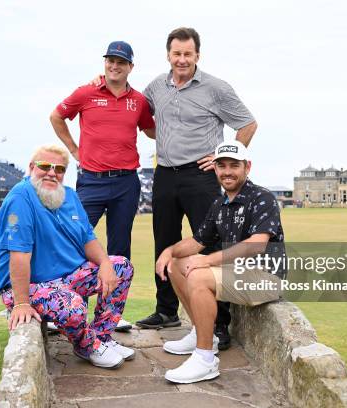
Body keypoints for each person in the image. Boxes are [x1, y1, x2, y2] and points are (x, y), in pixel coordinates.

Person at [135, 28, 258, 350]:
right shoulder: (155, 87)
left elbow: (247, 123)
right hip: (164, 173)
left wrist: (221, 156)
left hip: (200, 177)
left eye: (188, 54)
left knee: (207, 244)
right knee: (165, 242)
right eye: (177, 54)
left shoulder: (216, 88)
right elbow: (140, 115)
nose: (182, 60)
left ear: (197, 56)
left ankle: (218, 324)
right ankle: (166, 312)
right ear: (168, 55)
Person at [0, 144, 135, 369]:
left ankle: (102, 338)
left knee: (121, 267)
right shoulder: (20, 198)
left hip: (66, 276)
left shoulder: (69, 195)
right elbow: (19, 255)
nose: (52, 172)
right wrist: (21, 303)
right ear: (31, 167)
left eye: (59, 169)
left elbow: (87, 238)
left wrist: (106, 263)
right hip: (27, 285)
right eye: (45, 166)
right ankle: (87, 346)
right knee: (72, 305)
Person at [155, 141, 285, 383]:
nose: (227, 171)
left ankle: (205, 359)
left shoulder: (261, 197)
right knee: (176, 265)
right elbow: (197, 241)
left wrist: (209, 261)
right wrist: (169, 251)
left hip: (265, 278)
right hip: (238, 273)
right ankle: (201, 333)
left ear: (247, 167)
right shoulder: (220, 203)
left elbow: (257, 243)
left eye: (234, 166)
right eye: (222, 165)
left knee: (198, 274)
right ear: (214, 169)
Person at [50, 41, 155, 261]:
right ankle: (76, 297)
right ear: (105, 63)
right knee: (75, 239)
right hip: (92, 181)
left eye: (121, 62)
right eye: (110, 61)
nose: (114, 66)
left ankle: (115, 297)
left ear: (130, 67)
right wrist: (73, 149)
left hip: (126, 183)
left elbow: (149, 130)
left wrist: (181, 130)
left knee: (120, 248)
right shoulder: (85, 93)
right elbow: (56, 116)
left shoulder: (139, 101)